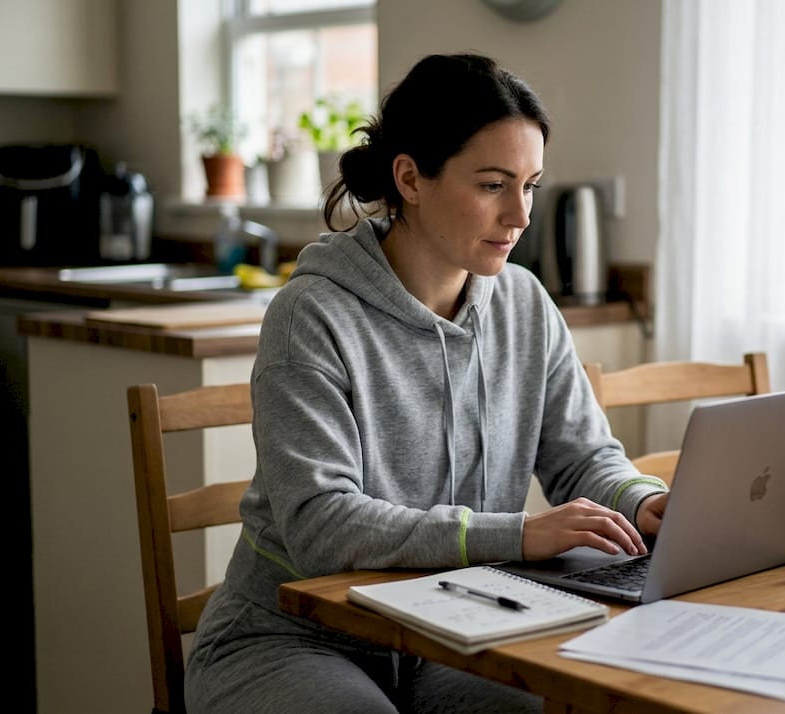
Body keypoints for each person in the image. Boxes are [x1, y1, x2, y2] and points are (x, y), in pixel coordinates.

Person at [184, 52, 670, 713]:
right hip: (294, 635)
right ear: (410, 179)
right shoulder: (311, 316)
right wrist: (516, 534)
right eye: (493, 185)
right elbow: (321, 526)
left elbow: (582, 457)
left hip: (460, 625)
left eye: (530, 186)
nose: (520, 216)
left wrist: (640, 502)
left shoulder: (525, 304)